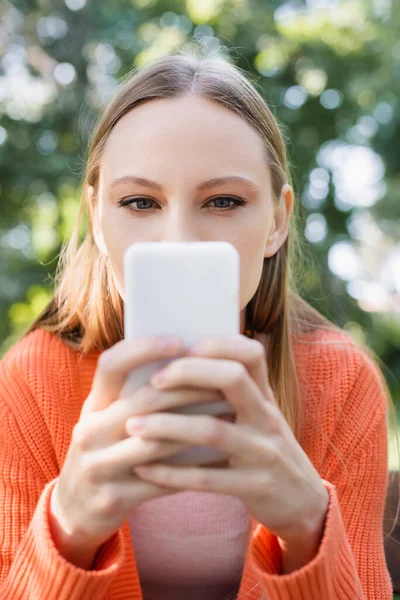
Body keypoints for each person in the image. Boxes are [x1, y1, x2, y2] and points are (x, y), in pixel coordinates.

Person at [0, 41, 397, 600]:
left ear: (278, 221)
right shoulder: (30, 381)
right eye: (139, 203)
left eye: (224, 202)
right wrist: (68, 527)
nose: (179, 240)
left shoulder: (340, 384)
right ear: (96, 217)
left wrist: (309, 530)